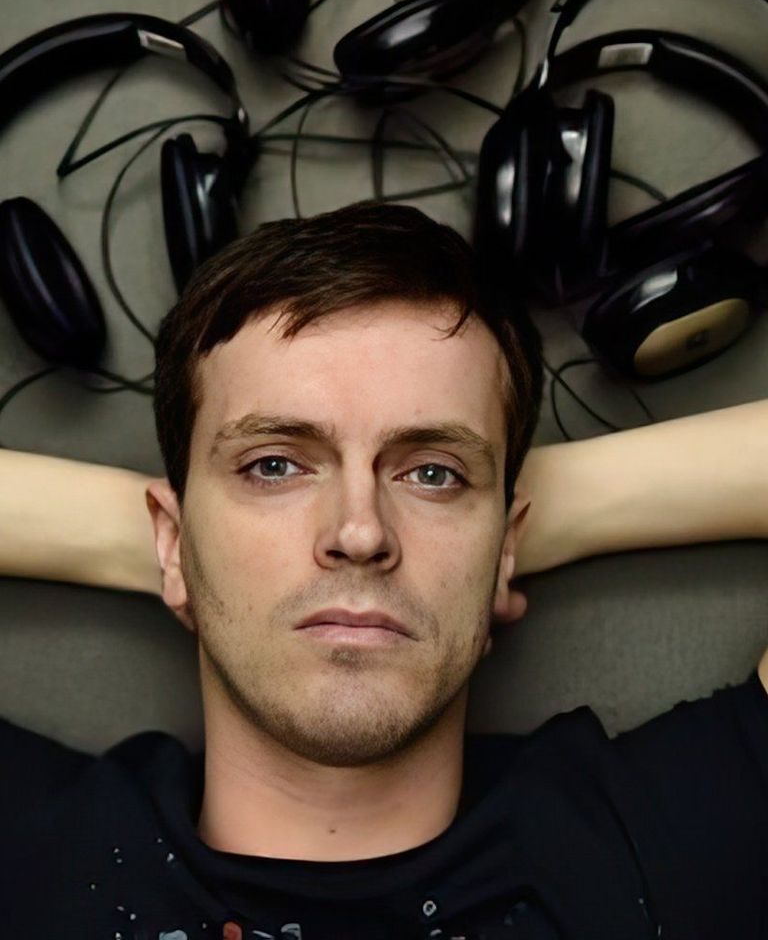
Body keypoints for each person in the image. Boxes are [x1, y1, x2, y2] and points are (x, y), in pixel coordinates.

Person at [1, 201, 767, 939]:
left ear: (507, 546)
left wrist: (519, 529)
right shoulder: (28, 860)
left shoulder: (659, 851)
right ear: (170, 541)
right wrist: (168, 553)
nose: (360, 532)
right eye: (273, 465)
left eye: (433, 474)